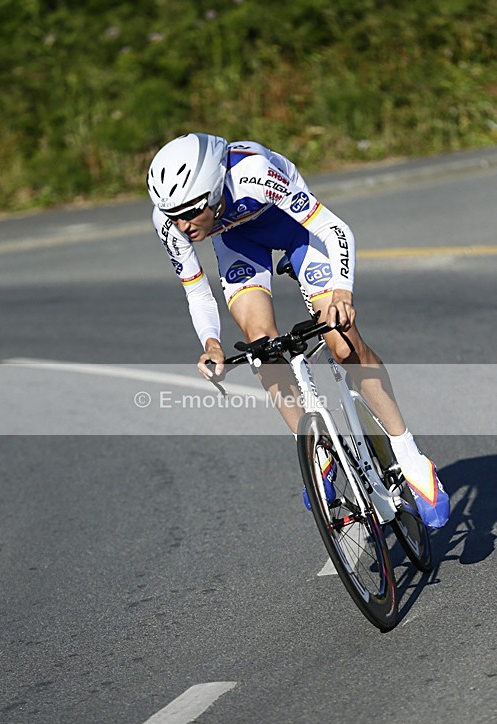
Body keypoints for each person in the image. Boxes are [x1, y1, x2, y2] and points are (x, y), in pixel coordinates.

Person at [146, 133, 449, 528]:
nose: (183, 226)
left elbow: (334, 229)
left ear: (215, 188)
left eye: (190, 212)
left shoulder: (255, 174)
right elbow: (197, 292)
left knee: (342, 344)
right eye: (174, 216)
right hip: (238, 243)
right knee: (259, 344)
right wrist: (213, 344)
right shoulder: (171, 221)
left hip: (294, 229)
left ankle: (410, 455)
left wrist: (342, 292)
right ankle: (316, 450)